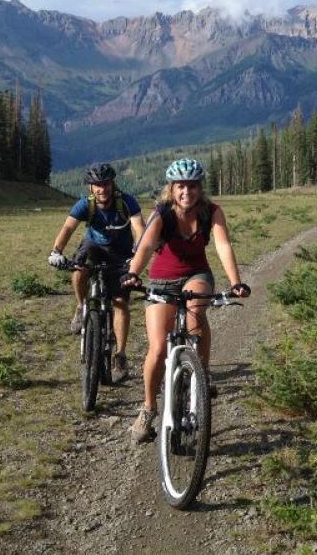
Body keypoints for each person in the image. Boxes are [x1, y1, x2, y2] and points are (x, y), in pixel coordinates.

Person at [122, 157, 249, 443]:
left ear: (200, 188)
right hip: (162, 280)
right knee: (157, 349)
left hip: (196, 274)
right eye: (181, 186)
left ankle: (201, 376)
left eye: (192, 186)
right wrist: (132, 274)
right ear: (171, 188)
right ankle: (148, 409)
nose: (186, 193)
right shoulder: (162, 213)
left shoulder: (211, 212)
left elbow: (222, 245)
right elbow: (144, 247)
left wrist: (235, 282)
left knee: (196, 315)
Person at [47, 162, 145, 384]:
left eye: (106, 184)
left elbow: (140, 228)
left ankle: (120, 355)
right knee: (80, 266)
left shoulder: (126, 202)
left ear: (113, 184)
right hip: (94, 248)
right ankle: (81, 306)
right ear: (90, 187)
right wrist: (56, 252)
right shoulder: (85, 205)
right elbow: (68, 228)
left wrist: (138, 254)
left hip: (121, 253)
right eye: (97, 185)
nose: (102, 189)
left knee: (120, 301)